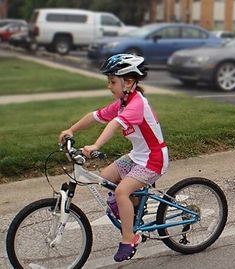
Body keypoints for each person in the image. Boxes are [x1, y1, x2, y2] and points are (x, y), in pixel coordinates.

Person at [58, 54, 168, 262]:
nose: (109, 86)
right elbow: (96, 116)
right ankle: (134, 209)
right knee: (106, 177)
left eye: (112, 81)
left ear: (128, 82)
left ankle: (130, 238)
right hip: (138, 156)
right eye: (108, 81)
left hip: (154, 159)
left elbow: (115, 124)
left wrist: (96, 145)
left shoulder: (137, 104)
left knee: (120, 192)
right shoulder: (123, 102)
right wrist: (71, 129)